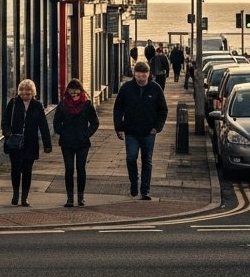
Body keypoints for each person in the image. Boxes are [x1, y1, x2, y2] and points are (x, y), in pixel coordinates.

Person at [113, 60, 167, 200]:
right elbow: (118, 108)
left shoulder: (155, 89)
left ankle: (145, 190)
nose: (141, 79)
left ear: (149, 74)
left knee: (147, 160)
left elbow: (163, 110)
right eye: (138, 76)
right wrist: (119, 127)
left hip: (149, 132)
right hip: (131, 131)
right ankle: (134, 182)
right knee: (131, 158)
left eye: (144, 76)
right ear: (134, 74)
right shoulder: (126, 88)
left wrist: (157, 127)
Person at [1, 78, 52, 206]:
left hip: (30, 143)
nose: (25, 93)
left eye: (28, 90)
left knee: (27, 171)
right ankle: (15, 194)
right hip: (15, 143)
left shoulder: (37, 105)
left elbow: (43, 125)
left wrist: (47, 144)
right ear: (19, 91)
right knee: (16, 170)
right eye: (23, 90)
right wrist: (7, 134)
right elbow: (5, 121)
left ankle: (24, 197)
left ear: (33, 92)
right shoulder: (13, 103)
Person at [53, 78, 100, 207]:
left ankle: (80, 197)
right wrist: (63, 132)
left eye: (76, 93)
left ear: (81, 92)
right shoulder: (63, 105)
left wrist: (86, 134)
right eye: (72, 93)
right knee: (69, 169)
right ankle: (69, 198)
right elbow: (56, 123)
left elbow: (95, 123)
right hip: (67, 142)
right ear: (68, 92)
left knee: (80, 169)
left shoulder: (87, 104)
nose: (74, 96)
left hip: (82, 142)